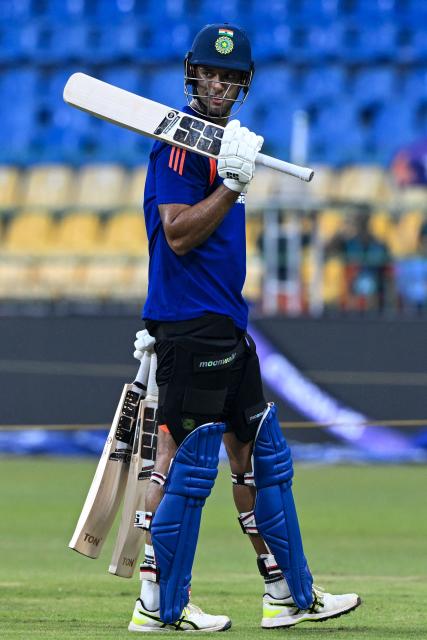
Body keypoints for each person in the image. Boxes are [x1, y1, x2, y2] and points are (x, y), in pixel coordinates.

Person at [128, 23, 361, 633]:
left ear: (245, 84)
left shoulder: (223, 141)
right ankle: (158, 604)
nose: (222, 85)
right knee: (187, 463)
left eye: (233, 78)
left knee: (262, 460)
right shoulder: (181, 146)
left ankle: (287, 593)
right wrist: (231, 185)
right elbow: (177, 234)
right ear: (193, 75)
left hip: (225, 324)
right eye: (213, 73)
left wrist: (230, 172)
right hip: (192, 326)